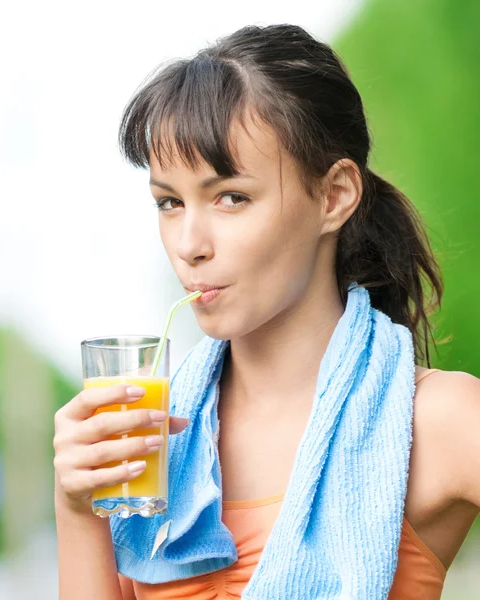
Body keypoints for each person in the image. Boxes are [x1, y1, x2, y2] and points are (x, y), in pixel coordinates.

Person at [52, 24, 480, 599]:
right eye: (170, 203)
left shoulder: (438, 418)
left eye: (231, 197)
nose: (190, 243)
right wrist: (77, 506)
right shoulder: (155, 447)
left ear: (333, 197)